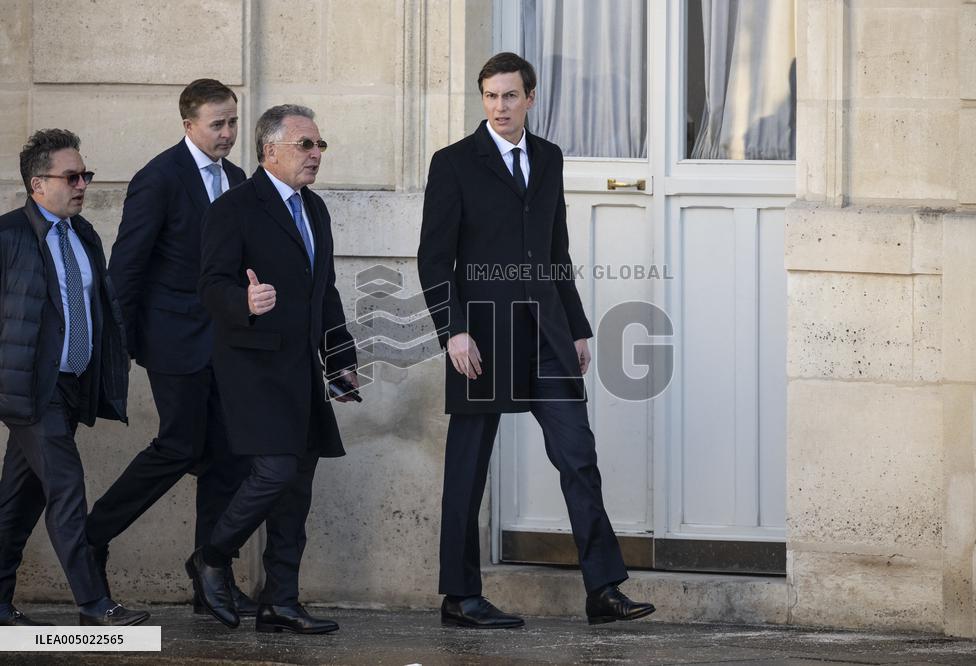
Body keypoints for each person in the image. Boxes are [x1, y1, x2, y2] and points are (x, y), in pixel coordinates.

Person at [417, 52, 656, 628]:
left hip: (546, 335)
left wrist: (575, 325)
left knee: (579, 457)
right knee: (467, 471)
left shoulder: (548, 158)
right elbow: (433, 257)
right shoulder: (452, 164)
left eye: (509, 96)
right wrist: (453, 332)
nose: (499, 107)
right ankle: (460, 597)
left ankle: (603, 590)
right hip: (481, 338)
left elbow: (556, 252)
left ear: (530, 98)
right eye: (490, 96)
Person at [86, 78, 256, 617]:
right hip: (172, 341)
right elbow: (126, 268)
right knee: (180, 446)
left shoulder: (237, 178)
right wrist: (127, 344)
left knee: (228, 456)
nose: (228, 133)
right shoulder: (158, 179)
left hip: (227, 343)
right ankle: (92, 536)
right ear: (189, 125)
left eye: (232, 121)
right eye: (217, 124)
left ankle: (209, 572)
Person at [191, 104, 358, 634]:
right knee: (275, 471)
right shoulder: (234, 208)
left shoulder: (317, 210)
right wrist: (244, 300)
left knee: (297, 486)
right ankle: (212, 557)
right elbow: (211, 285)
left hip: (301, 367)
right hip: (252, 367)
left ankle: (280, 600)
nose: (316, 155)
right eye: (305, 145)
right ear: (270, 151)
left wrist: (341, 359)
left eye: (319, 145)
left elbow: (322, 291)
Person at [0, 129, 149, 626]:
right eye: (72, 176)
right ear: (37, 184)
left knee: (21, 501)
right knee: (66, 487)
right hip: (28, 388)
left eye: (86, 174)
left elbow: (97, 308)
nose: (83, 183)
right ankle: (94, 603)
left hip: (70, 385)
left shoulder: (83, 234)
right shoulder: (7, 236)